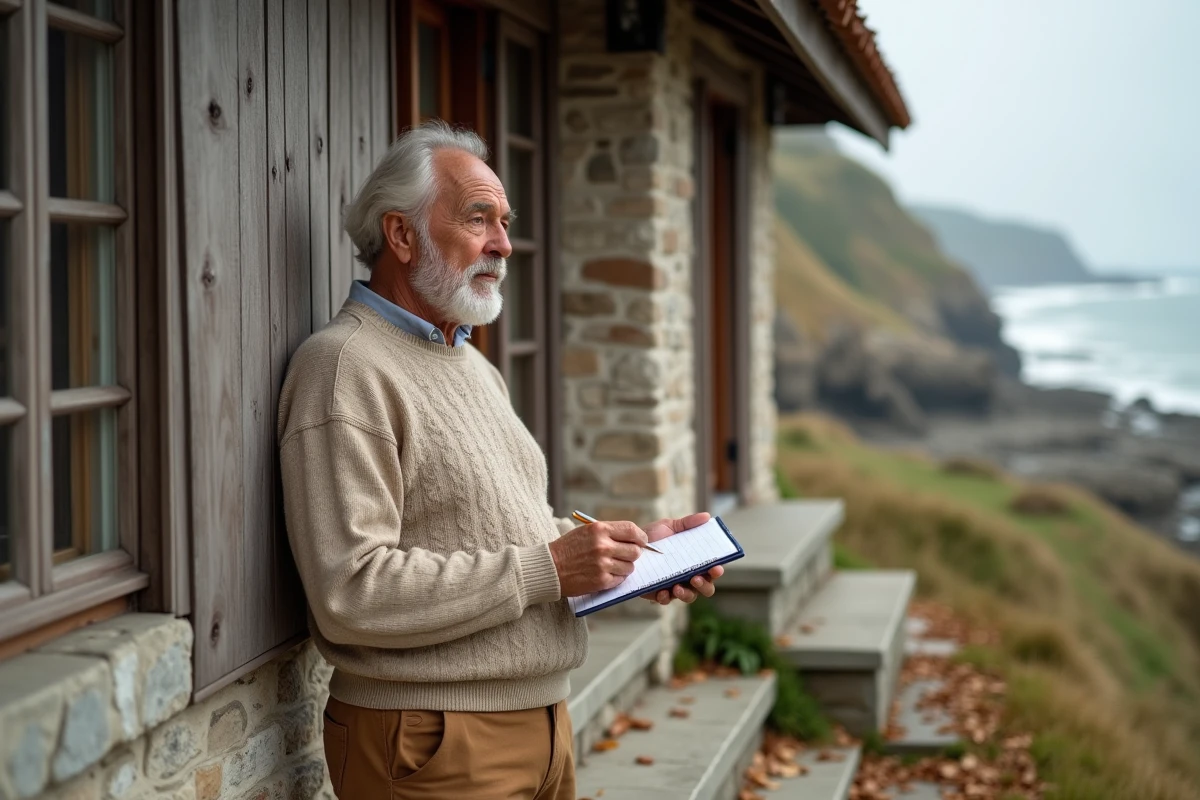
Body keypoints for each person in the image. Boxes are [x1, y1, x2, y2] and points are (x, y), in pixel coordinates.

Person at [277, 120, 723, 799]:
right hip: (434, 741)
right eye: (478, 218)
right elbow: (351, 592)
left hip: (543, 725)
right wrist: (550, 566)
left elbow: (510, 537)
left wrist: (625, 562)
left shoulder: (472, 367)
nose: (504, 245)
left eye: (505, 222)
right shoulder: (343, 368)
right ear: (401, 236)